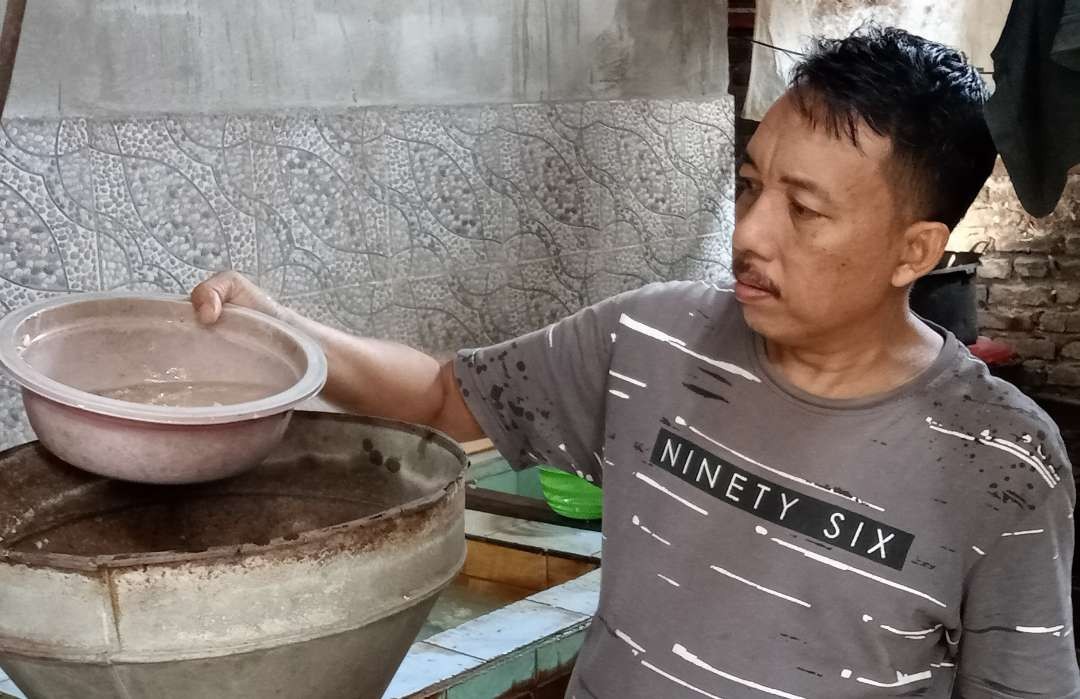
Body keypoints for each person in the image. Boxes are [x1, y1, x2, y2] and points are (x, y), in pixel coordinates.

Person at [191, 26, 1079, 699]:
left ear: (913, 250)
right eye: (749, 184)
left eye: (803, 210)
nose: (751, 233)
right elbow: (437, 395)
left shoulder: (1000, 463)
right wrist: (281, 334)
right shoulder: (649, 339)